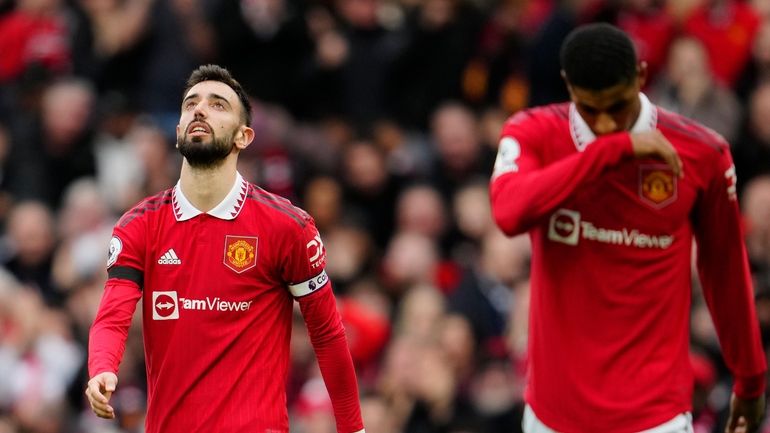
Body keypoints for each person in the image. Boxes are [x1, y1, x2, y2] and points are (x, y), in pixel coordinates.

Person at [489, 23, 767, 433]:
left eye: (616, 106)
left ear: (640, 76)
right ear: (568, 85)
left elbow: (725, 270)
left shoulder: (702, 153)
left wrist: (751, 377)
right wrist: (615, 150)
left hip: (655, 417)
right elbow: (510, 212)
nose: (604, 123)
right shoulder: (534, 132)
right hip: (554, 415)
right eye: (589, 108)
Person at [85, 64, 365, 433]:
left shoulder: (287, 227)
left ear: (243, 136)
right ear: (178, 131)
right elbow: (112, 315)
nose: (199, 110)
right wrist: (102, 367)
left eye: (218, 105)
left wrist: (353, 429)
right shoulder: (140, 225)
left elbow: (327, 334)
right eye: (191, 104)